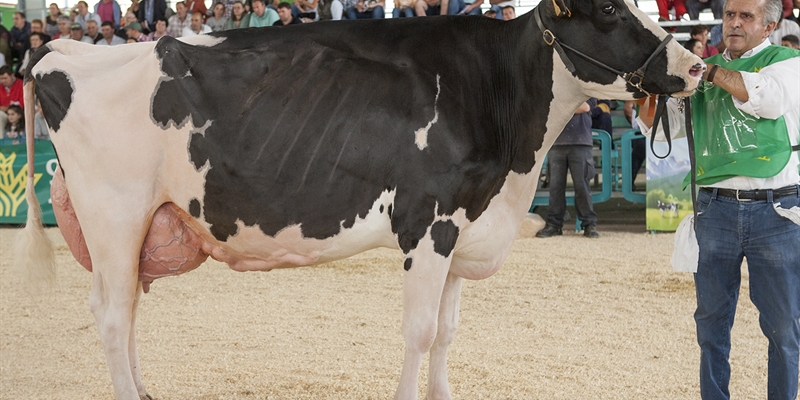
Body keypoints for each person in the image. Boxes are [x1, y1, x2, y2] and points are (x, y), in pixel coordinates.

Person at [639, 0, 800, 398]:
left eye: (746, 16)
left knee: (783, 327)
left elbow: (768, 99)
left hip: (776, 208)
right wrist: (650, 88)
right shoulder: (699, 69)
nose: (734, 23)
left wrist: (703, 70)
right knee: (711, 325)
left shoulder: (788, 61)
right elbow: (659, 130)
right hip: (714, 207)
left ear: (769, 25)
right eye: (730, 15)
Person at [536, 99, 601, 239]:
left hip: (579, 141)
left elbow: (585, 107)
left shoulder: (586, 87)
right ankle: (555, 224)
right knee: (555, 187)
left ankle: (588, 224)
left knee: (581, 186)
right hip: (559, 141)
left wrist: (562, 106)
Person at [0, 66, 24, 130]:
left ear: (12, 75)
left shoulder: (21, 84)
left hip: (18, 115)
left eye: (5, 78)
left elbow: (21, 105)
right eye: (1, 79)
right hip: (5, 114)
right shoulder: (0, 86)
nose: (3, 81)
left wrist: (6, 108)